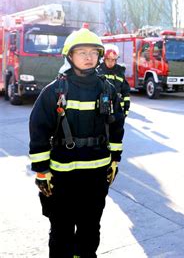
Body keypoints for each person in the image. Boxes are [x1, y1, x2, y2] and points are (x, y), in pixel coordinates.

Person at [29, 26, 125, 257]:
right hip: (62, 176)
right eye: (81, 52)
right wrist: (42, 171)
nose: (88, 57)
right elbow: (38, 131)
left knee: (90, 229)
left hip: (96, 174)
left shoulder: (107, 89)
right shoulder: (55, 91)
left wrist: (115, 161)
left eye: (93, 52)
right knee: (61, 231)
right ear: (69, 56)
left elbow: (116, 126)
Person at [97, 44, 131, 117]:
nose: (110, 62)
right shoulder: (98, 71)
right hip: (102, 111)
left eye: (113, 60)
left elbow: (126, 92)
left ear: (116, 60)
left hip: (118, 111)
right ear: (104, 59)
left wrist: (126, 109)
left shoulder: (120, 72)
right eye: (108, 59)